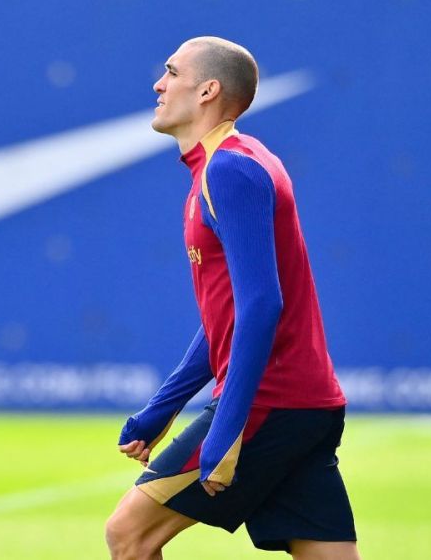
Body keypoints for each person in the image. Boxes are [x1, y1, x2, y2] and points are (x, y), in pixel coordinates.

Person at [105, 37, 361, 560]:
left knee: (129, 536)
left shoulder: (230, 170)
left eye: (171, 72)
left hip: (272, 402)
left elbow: (263, 305)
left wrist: (228, 427)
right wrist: (163, 407)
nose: (158, 84)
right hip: (304, 403)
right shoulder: (228, 164)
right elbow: (228, 312)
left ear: (207, 90)